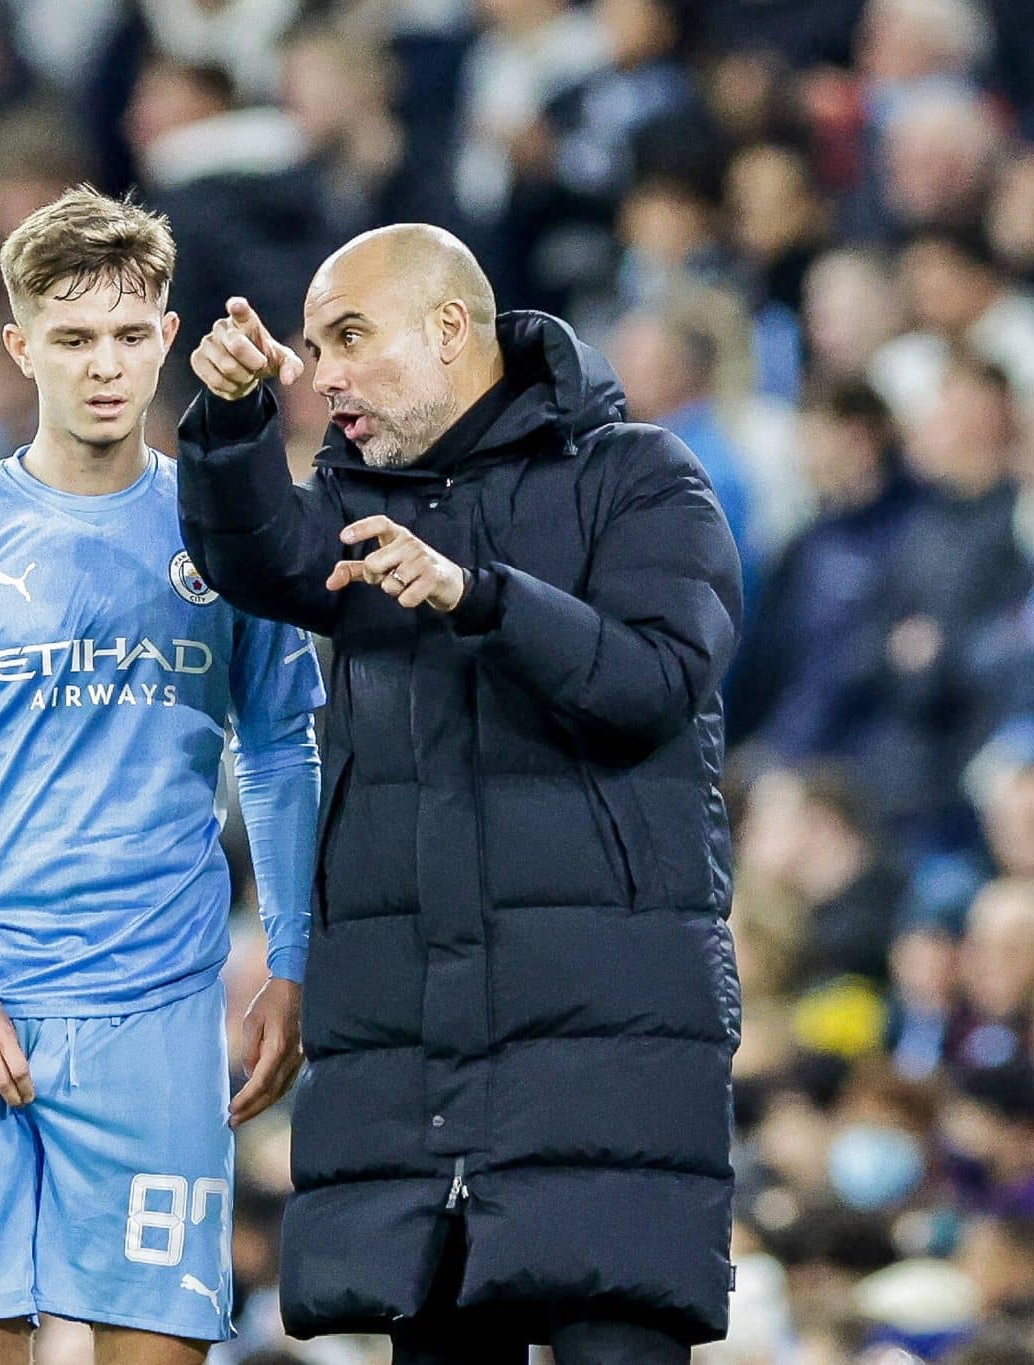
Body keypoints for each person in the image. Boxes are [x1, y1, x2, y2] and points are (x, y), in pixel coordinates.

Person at [179, 224, 744, 1361]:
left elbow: (654, 681)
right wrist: (233, 419)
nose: (325, 371)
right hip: (413, 1052)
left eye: (348, 335)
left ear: (448, 329)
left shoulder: (637, 474)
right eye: (310, 346)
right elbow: (256, 557)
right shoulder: (353, 494)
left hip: (603, 1044)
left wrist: (477, 597)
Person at [0, 186, 324, 1364]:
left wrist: (296, 962)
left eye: (125, 335)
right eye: (70, 339)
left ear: (166, 338)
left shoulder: (229, 535)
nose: (102, 367)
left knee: (156, 1349)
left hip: (158, 1009)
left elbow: (277, 749)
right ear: (20, 349)